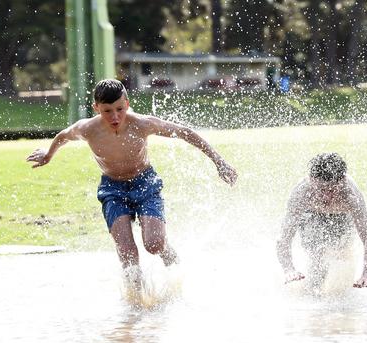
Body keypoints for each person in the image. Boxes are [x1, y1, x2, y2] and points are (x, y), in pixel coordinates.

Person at [26, 79, 237, 286]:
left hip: (145, 183)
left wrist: (219, 161)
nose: (115, 116)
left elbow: (185, 132)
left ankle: (175, 269)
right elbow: (64, 136)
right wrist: (48, 154)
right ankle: (135, 303)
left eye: (119, 109)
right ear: (96, 108)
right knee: (127, 252)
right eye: (107, 111)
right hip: (112, 188)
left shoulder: (142, 124)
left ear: (126, 103)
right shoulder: (87, 128)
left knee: (154, 244)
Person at [276, 153, 367, 290]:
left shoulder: (351, 196)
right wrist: (289, 270)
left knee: (341, 253)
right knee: (317, 256)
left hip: (343, 216)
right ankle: (314, 291)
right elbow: (283, 238)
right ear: (311, 180)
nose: (327, 196)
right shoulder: (301, 194)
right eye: (322, 189)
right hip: (310, 214)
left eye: (333, 189)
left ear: (343, 180)